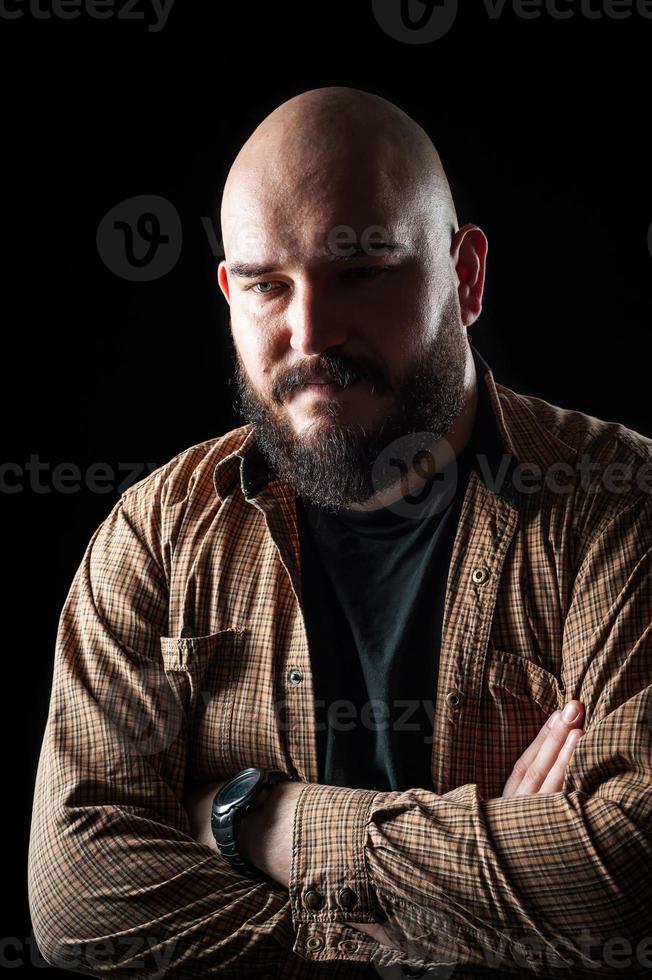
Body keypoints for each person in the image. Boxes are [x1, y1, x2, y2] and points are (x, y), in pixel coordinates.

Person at [28, 87, 652, 980]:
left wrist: (255, 820)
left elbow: (625, 878)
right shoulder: (156, 539)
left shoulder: (623, 511)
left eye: (361, 271)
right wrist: (437, 939)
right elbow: (77, 898)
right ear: (229, 293)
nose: (310, 330)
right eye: (266, 284)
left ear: (465, 276)